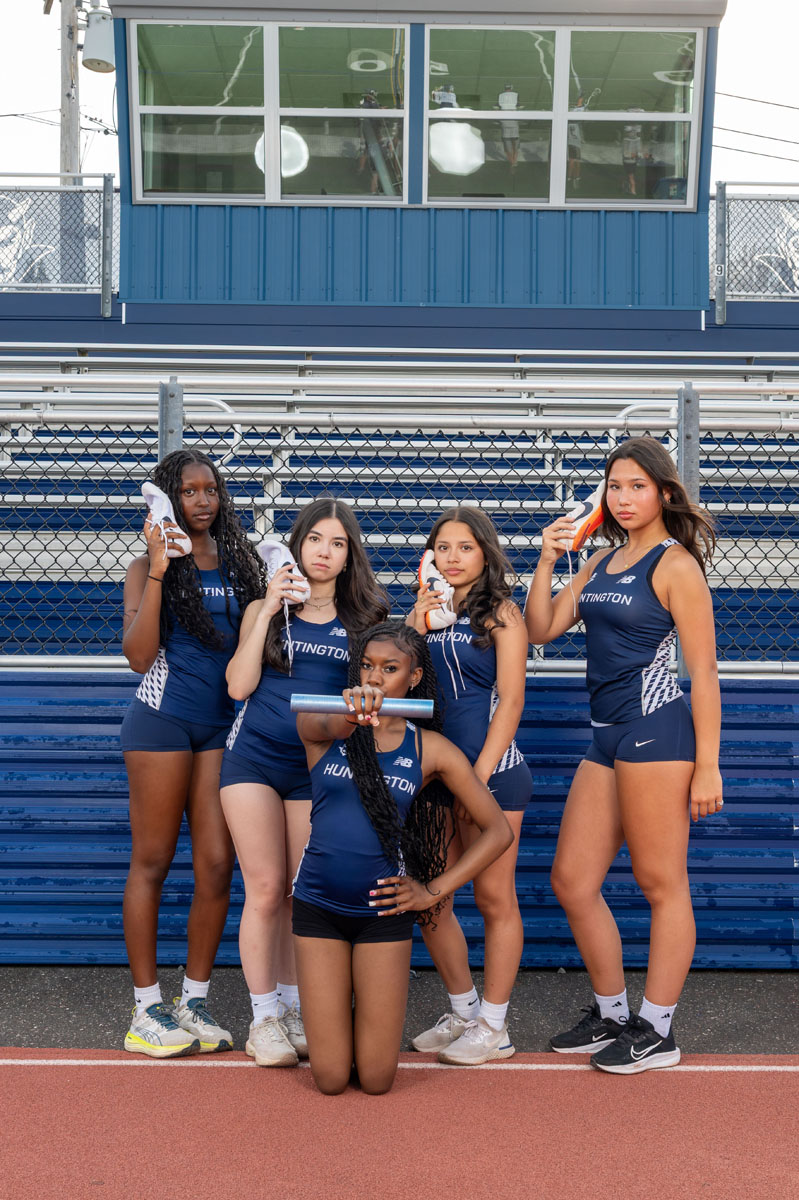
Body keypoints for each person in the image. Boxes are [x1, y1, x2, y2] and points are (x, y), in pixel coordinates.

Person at [524, 437, 722, 1074]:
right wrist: (547, 560)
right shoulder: (600, 561)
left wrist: (709, 765)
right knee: (572, 880)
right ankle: (612, 1014)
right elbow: (540, 629)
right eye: (615, 486)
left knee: (661, 883)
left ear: (663, 492)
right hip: (606, 734)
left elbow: (704, 672)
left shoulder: (676, 565)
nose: (624, 497)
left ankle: (657, 1030)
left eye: (638, 486)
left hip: (657, 731)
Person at [294, 621, 513, 1094]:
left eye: (389, 669)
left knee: (376, 1080)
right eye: (366, 666)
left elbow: (498, 831)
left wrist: (432, 890)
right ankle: (337, 1022)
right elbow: (324, 725)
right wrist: (352, 717)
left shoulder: (429, 748)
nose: (374, 677)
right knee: (330, 1079)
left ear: (413, 678)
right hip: (318, 907)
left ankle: (359, 1024)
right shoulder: (323, 722)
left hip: (383, 915)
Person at [220, 498, 388, 1067]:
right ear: (297, 545)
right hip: (254, 761)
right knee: (266, 889)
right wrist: (269, 607)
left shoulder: (364, 619)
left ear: (349, 555)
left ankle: (294, 1009)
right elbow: (238, 686)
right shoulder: (262, 608)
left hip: (316, 769)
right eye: (316, 539)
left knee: (299, 893)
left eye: (338, 543)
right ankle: (263, 1018)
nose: (325, 552)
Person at [120, 448, 264, 1057]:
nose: (202, 501)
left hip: (219, 728)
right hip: (161, 723)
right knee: (153, 859)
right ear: (169, 498)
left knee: (216, 863)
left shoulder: (242, 564)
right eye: (188, 491)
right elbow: (138, 656)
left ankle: (194, 1001)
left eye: (211, 490)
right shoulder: (144, 566)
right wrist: (159, 566)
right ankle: (145, 1010)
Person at [407, 507, 533, 1064]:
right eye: (443, 547)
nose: (453, 557)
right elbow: (398, 678)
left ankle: (495, 1026)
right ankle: (464, 1011)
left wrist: (476, 779)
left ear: (485, 553)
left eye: (465, 547)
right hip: (432, 774)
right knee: (431, 898)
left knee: (493, 898)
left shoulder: (502, 612)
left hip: (492, 775)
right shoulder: (425, 610)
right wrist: (415, 621)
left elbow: (512, 700)